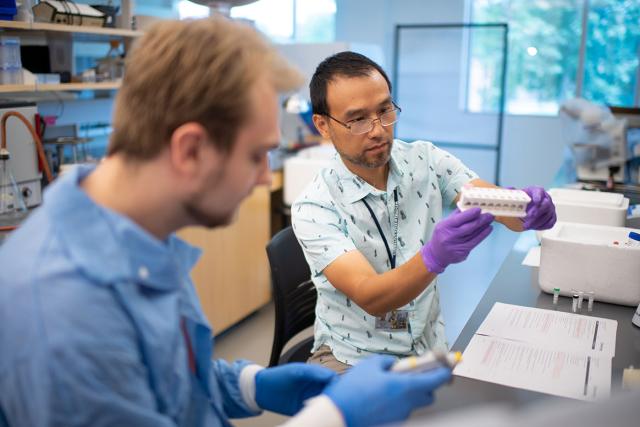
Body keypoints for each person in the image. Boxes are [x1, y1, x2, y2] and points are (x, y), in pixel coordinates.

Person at [0, 19, 452, 427]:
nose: (262, 177)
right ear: (191, 150)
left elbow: (166, 375)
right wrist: (334, 417)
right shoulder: (66, 313)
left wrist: (250, 385)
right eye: (257, 155)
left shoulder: (135, 238)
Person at [291, 51, 556, 373]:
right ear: (323, 125)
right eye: (358, 119)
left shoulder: (426, 160)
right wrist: (433, 256)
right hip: (354, 357)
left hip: (428, 345)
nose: (377, 130)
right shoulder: (315, 205)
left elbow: (495, 205)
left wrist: (527, 209)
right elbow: (370, 297)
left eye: (385, 110)